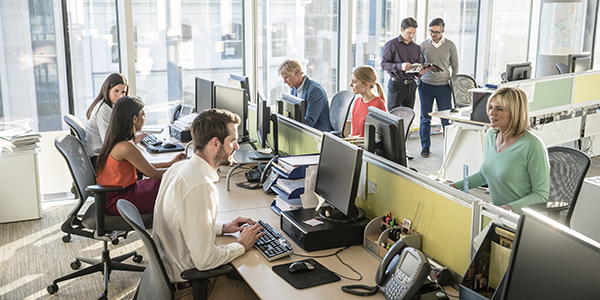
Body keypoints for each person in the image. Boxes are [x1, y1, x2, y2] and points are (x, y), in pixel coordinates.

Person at [153, 108, 264, 300]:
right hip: (192, 289)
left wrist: (222, 228)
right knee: (266, 293)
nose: (236, 146)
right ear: (215, 143)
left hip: (171, 276)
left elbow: (181, 224)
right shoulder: (200, 185)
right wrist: (241, 245)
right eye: (232, 140)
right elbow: (205, 261)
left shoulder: (179, 168)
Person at [450, 87, 550, 214]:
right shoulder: (491, 135)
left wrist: (507, 209)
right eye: (491, 107)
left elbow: (541, 196)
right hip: (500, 214)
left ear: (515, 112)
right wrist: (454, 186)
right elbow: (484, 174)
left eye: (499, 109)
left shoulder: (533, 145)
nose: (492, 113)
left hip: (525, 219)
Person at [96, 96, 187, 215]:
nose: (145, 118)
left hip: (119, 193)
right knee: (175, 186)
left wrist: (170, 164)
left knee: (166, 183)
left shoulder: (117, 141)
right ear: (134, 119)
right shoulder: (125, 146)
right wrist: (182, 171)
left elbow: (141, 167)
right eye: (143, 115)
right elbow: (153, 174)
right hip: (120, 200)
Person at [85, 73, 146, 167]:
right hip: (97, 160)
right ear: (107, 90)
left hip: (102, 156)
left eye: (123, 92)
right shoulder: (103, 109)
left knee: (141, 160)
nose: (120, 96)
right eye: (116, 91)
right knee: (141, 163)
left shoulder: (111, 106)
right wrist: (132, 142)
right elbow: (107, 142)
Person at [418, 18, 460, 158]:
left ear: (443, 31)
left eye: (436, 32)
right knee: (425, 118)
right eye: (431, 31)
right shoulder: (423, 45)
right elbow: (418, 66)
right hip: (426, 86)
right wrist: (419, 81)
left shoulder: (450, 45)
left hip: (444, 87)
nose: (433, 34)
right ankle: (425, 148)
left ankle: (448, 148)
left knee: (445, 120)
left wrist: (453, 83)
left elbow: (455, 66)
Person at [381, 17, 430, 111]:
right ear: (401, 29)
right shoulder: (391, 45)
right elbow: (384, 64)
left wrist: (420, 73)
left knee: (408, 115)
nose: (412, 36)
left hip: (411, 85)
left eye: (414, 33)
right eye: (409, 33)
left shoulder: (416, 47)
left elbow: (416, 68)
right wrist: (400, 66)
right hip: (396, 85)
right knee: (393, 116)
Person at [278, 59, 334, 132]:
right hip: (305, 131)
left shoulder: (315, 91)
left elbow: (309, 122)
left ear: (296, 72)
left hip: (318, 133)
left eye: (286, 77)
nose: (285, 82)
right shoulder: (294, 89)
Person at [350, 65, 387, 137]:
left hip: (366, 147)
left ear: (366, 84)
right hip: (355, 144)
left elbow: (382, 136)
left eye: (354, 82)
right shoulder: (357, 102)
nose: (351, 85)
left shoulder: (378, 104)